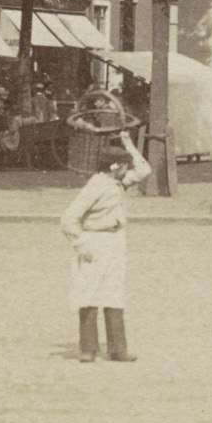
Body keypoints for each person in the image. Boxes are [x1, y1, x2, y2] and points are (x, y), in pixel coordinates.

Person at [60, 130, 150, 362]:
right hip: (94, 240)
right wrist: (80, 244)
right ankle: (88, 349)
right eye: (123, 166)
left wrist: (128, 144)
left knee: (114, 292)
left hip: (115, 240)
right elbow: (69, 218)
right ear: (114, 167)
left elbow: (144, 171)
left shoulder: (116, 182)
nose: (127, 170)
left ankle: (118, 349)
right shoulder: (96, 185)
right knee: (88, 293)